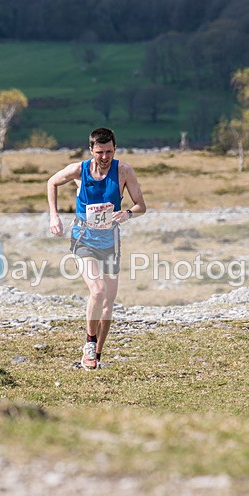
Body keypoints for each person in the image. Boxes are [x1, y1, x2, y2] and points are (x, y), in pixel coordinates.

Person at [47, 127, 146, 369]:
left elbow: (141, 206)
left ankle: (95, 356)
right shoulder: (79, 170)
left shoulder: (123, 171)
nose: (104, 157)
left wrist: (127, 213)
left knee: (108, 303)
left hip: (110, 242)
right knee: (98, 290)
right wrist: (54, 216)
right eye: (100, 152)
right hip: (84, 239)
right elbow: (52, 182)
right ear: (91, 149)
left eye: (109, 151)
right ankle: (89, 343)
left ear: (115, 149)